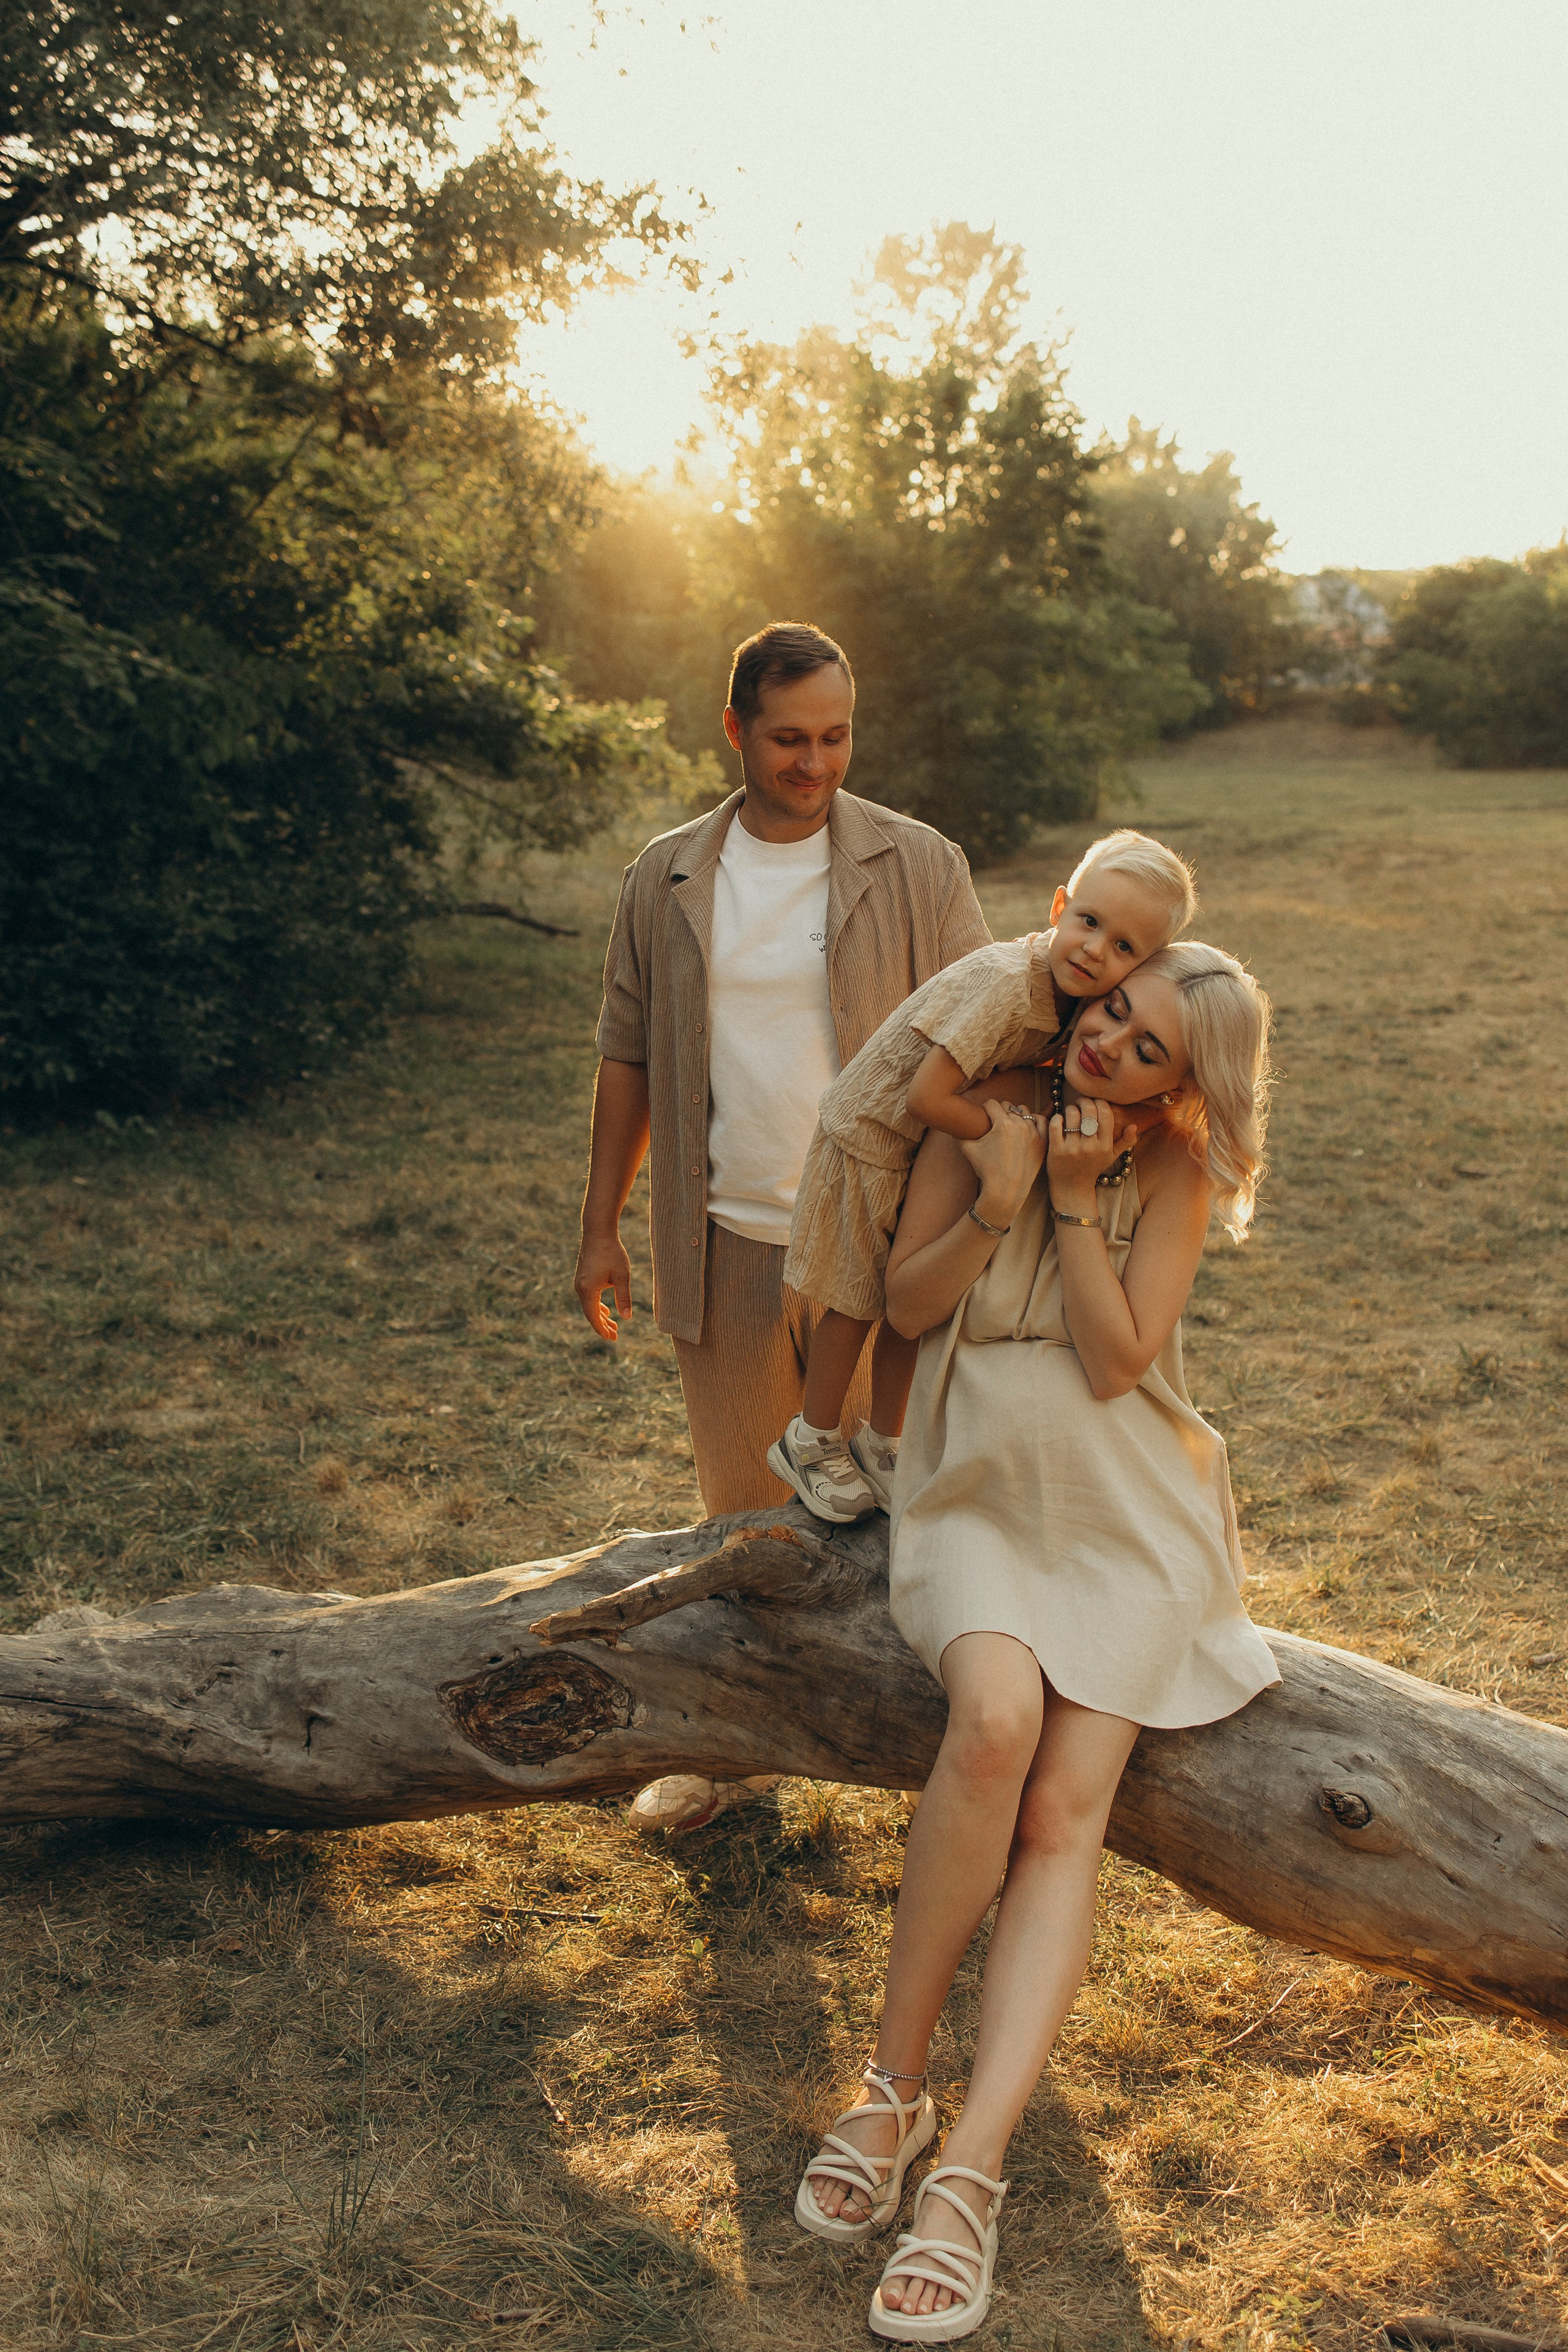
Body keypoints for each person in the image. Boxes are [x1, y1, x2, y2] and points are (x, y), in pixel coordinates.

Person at [792, 943, 1281, 2342]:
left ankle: (968, 2167)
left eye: (1148, 1051)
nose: (1111, 1048)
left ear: (1182, 1086)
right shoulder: (990, 1103)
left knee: (1065, 1808)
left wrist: (1072, 1207)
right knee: (994, 1719)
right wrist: (1006, 1187)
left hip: (1126, 1503)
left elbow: (1120, 1357)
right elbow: (905, 1305)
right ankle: (888, 2090)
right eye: (1113, 1013)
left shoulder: (1170, 1173)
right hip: (975, 1487)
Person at [575, 619, 991, 1834]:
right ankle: (734, 1757)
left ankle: (942, 1756)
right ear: (735, 731)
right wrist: (600, 1226)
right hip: (729, 1244)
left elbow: (992, 1029)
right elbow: (624, 1057)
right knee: (741, 1521)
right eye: (787, 738)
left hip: (884, 1247)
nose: (813, 763)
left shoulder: (917, 865)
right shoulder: (665, 875)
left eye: (834, 737)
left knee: (904, 1508)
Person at [770, 831, 1196, 1523]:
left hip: (913, 1148)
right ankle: (811, 1436)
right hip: (869, 1137)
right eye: (1089, 923)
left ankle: (884, 1438)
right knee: (854, 1298)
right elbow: (927, 1101)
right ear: (1060, 906)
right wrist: (1006, 1137)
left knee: (905, 1301)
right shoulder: (1007, 985)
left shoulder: (1073, 1001)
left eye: (1124, 948)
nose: (1095, 950)